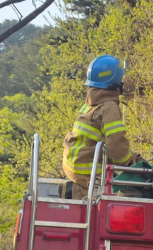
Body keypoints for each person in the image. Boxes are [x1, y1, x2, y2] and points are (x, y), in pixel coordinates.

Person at [61, 54, 142, 199]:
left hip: (73, 169)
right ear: (116, 82)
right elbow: (116, 145)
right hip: (89, 174)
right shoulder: (109, 107)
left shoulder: (90, 105)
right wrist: (130, 163)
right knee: (136, 190)